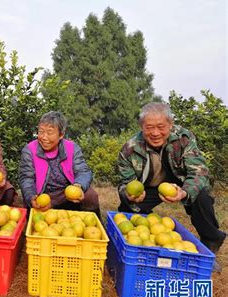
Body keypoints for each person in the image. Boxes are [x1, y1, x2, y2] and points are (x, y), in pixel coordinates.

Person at [117, 102, 226, 256]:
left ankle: (210, 242)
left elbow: (199, 172)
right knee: (128, 207)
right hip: (149, 187)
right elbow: (126, 183)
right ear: (142, 127)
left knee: (201, 196)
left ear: (170, 124)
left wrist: (184, 192)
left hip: (181, 182)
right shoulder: (130, 148)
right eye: (149, 127)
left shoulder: (183, 138)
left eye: (161, 127)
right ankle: (137, 246)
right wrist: (128, 194)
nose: (155, 133)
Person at [19, 111, 101, 217]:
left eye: (49, 133)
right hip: (43, 195)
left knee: (90, 196)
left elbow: (83, 171)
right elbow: (27, 178)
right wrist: (31, 197)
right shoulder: (29, 150)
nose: (44, 137)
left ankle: (94, 225)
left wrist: (78, 186)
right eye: (41, 131)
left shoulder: (72, 148)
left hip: (67, 195)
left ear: (61, 135)